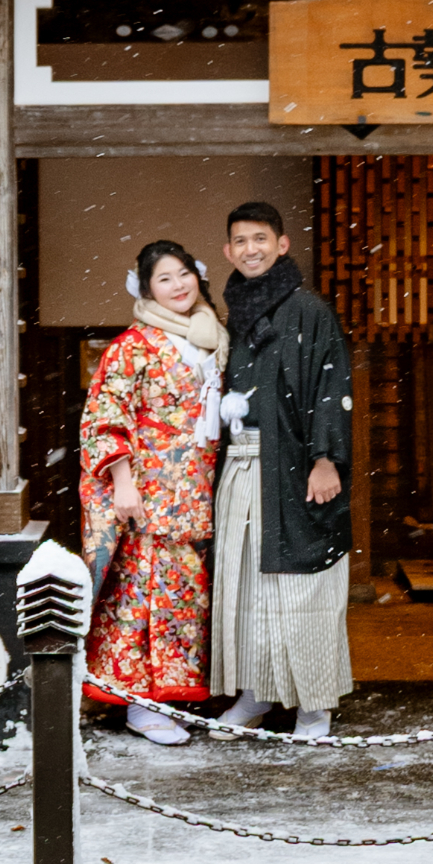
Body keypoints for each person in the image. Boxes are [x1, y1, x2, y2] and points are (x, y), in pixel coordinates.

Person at [211, 199, 354, 740]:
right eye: (241, 241)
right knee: (247, 586)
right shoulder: (235, 312)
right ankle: (257, 692)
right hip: (244, 467)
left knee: (302, 589)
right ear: (228, 250)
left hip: (295, 469)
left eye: (260, 239)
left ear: (282, 244)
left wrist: (325, 459)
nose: (251, 250)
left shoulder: (309, 310)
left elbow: (330, 386)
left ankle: (314, 706)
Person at [77, 237, 227, 746]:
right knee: (141, 598)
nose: (178, 285)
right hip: (148, 494)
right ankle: (138, 703)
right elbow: (104, 417)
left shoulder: (211, 338)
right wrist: (121, 481)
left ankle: (169, 695)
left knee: (183, 599)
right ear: (146, 289)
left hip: (194, 492)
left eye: (184, 273)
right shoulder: (132, 346)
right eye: (165, 278)